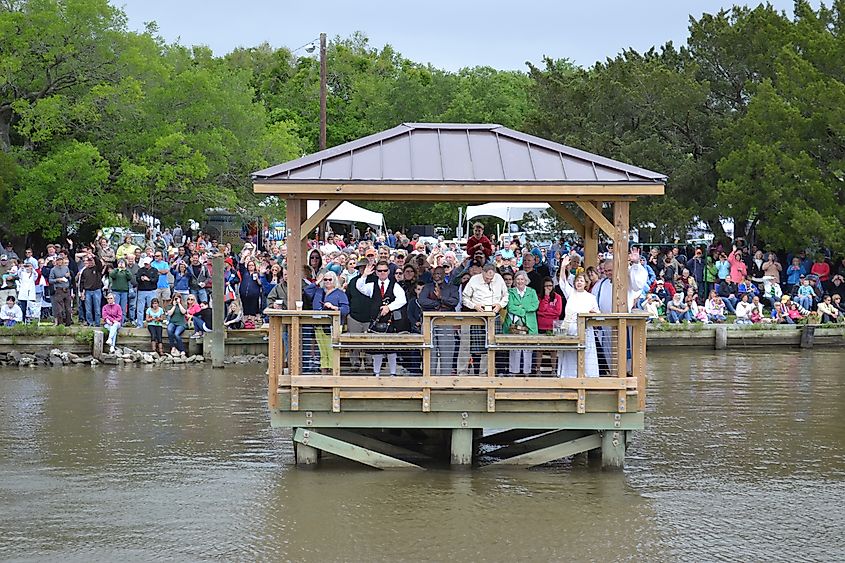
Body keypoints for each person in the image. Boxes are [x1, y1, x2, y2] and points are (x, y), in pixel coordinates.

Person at [356, 260, 409, 377]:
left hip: (390, 323)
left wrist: (389, 307)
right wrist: (364, 275)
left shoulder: (395, 285)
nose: (382, 273)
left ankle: (393, 374)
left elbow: (402, 300)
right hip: (376, 323)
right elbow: (360, 287)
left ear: (388, 271)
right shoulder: (372, 286)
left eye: (385, 270)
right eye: (379, 271)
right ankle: (377, 374)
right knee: (377, 351)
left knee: (391, 350)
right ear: (376, 272)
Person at [557, 255, 600, 377]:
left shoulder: (591, 297)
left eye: (581, 281)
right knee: (570, 354)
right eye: (577, 281)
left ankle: (588, 376)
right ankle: (568, 376)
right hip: (570, 328)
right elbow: (562, 282)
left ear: (586, 283)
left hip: (585, 330)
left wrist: (593, 314)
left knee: (586, 354)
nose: (579, 283)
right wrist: (563, 266)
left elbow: (597, 313)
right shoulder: (571, 293)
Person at [462, 264, 508, 374]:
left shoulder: (499, 279)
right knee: (477, 347)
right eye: (487, 278)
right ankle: (477, 372)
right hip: (479, 314)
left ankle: (492, 372)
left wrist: (500, 305)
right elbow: (465, 298)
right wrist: (474, 306)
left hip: (494, 313)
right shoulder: (474, 280)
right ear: (482, 272)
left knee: (495, 345)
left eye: (491, 278)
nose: (489, 280)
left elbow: (506, 295)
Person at [418, 265, 460, 375]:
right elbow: (422, 301)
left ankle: (444, 381)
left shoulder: (452, 288)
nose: (438, 276)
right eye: (436, 274)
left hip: (446, 322)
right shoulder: (427, 287)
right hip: (429, 322)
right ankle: (429, 379)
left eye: (440, 273)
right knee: (429, 351)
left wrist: (441, 298)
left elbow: (454, 302)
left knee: (447, 352)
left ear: (445, 274)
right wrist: (437, 304)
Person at [308, 271, 350, 374]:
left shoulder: (340, 293)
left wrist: (333, 307)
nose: (327, 281)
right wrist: (317, 281)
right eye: (325, 279)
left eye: (329, 279)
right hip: (319, 325)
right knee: (322, 352)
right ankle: (324, 375)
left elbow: (345, 309)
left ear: (334, 280)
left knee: (332, 351)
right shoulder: (318, 291)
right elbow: (307, 291)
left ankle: (333, 376)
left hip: (333, 326)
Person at [503, 271, 539, 375]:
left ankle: (527, 371)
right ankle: (514, 371)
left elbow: (535, 305)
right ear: (515, 281)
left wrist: (521, 307)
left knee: (528, 348)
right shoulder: (510, 292)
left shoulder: (532, 291)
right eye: (518, 279)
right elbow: (510, 307)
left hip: (529, 323)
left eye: (522, 279)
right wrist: (524, 310)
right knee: (515, 347)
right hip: (514, 324)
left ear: (526, 280)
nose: (520, 281)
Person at [135, 257, 159, 328]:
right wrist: (140, 279)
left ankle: (151, 324)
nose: (146, 265)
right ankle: (139, 324)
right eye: (145, 264)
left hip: (151, 291)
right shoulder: (140, 270)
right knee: (140, 309)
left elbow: (156, 280)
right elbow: (137, 279)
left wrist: (149, 279)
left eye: (147, 264)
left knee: (151, 308)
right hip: (141, 291)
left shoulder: (154, 270)